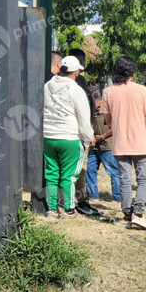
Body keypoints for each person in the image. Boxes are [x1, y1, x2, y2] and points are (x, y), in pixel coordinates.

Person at [101, 56, 146, 230]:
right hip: (139, 141)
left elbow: (108, 119)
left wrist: (119, 126)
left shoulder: (108, 92)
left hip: (119, 143)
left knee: (125, 179)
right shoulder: (142, 90)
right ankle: (138, 213)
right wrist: (138, 126)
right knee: (143, 179)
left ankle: (127, 212)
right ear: (132, 73)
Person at [43, 56, 94, 218]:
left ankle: (52, 209)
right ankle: (70, 210)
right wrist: (87, 139)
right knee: (69, 176)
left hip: (48, 136)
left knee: (51, 174)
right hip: (70, 138)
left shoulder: (46, 86)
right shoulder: (76, 90)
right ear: (76, 72)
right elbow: (84, 119)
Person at [69, 48, 101, 217]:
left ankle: (66, 202)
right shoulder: (79, 80)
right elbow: (86, 108)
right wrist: (89, 135)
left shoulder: (52, 82)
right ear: (80, 63)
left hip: (60, 133)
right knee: (80, 169)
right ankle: (80, 202)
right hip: (78, 134)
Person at [85, 88, 121, 204]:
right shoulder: (89, 110)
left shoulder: (107, 109)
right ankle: (93, 195)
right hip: (93, 147)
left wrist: (101, 137)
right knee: (89, 170)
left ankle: (118, 197)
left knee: (113, 172)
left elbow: (115, 127)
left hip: (107, 146)